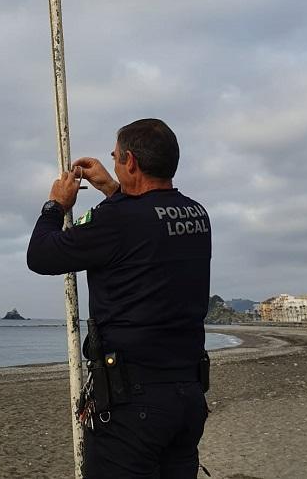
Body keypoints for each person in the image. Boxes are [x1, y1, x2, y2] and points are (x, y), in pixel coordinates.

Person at [27, 118, 211, 479]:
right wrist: (112, 189)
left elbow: (41, 255)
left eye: (115, 156)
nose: (112, 161)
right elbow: (147, 226)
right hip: (187, 395)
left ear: (131, 163)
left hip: (133, 404)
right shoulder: (197, 215)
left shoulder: (117, 220)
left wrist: (56, 206)